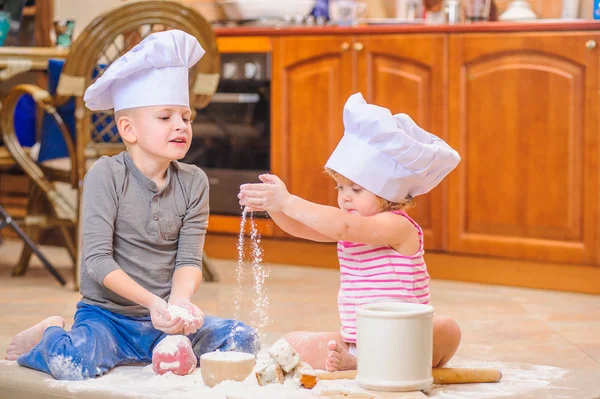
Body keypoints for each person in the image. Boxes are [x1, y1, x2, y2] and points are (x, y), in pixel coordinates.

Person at [5, 30, 259, 380]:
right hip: (108, 319)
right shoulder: (106, 175)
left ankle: (162, 350)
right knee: (72, 363)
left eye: (186, 117)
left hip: (163, 322)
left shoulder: (194, 181)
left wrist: (179, 303)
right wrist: (154, 303)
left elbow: (188, 259)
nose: (180, 126)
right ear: (128, 128)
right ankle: (50, 333)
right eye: (165, 116)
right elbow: (96, 261)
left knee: (242, 340)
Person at [239, 93, 461, 372]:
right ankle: (365, 360)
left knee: (447, 329)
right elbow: (302, 227)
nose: (345, 198)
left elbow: (345, 226)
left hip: (404, 336)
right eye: (340, 188)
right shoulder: (349, 228)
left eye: (356, 189)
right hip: (359, 339)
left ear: (388, 193)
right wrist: (273, 206)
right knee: (292, 342)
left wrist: (289, 201)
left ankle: (366, 363)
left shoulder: (397, 226)